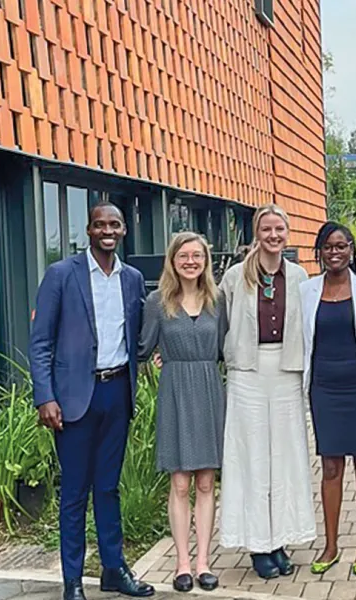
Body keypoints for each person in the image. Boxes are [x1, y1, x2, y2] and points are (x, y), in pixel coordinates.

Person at [28, 203, 154, 600]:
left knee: (108, 488)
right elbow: (41, 342)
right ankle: (72, 582)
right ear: (89, 230)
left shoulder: (132, 279)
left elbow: (139, 336)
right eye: (100, 224)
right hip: (73, 398)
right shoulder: (61, 275)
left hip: (117, 392)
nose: (108, 230)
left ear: (123, 231)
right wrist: (45, 396)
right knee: (74, 493)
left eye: (114, 224)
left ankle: (114, 570)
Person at [217, 204, 316, 579]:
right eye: (266, 229)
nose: (273, 236)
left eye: (279, 229)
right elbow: (221, 324)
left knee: (286, 457)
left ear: (287, 233)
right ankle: (258, 544)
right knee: (252, 457)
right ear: (256, 233)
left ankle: (281, 539)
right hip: (248, 372)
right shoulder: (233, 276)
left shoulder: (299, 275)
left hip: (287, 370)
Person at [138, 232, 226, 593]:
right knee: (179, 482)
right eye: (183, 256)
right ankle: (182, 563)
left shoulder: (217, 301)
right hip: (175, 391)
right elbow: (142, 348)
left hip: (208, 387)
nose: (191, 261)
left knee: (206, 482)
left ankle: (204, 561)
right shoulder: (157, 302)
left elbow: (225, 347)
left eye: (197, 256)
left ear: (205, 260)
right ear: (172, 261)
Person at [300, 222, 356, 577]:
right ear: (319, 252)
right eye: (328, 248)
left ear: (351, 249)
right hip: (324, 387)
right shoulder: (306, 290)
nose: (335, 253)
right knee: (331, 465)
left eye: (341, 246)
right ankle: (331, 544)